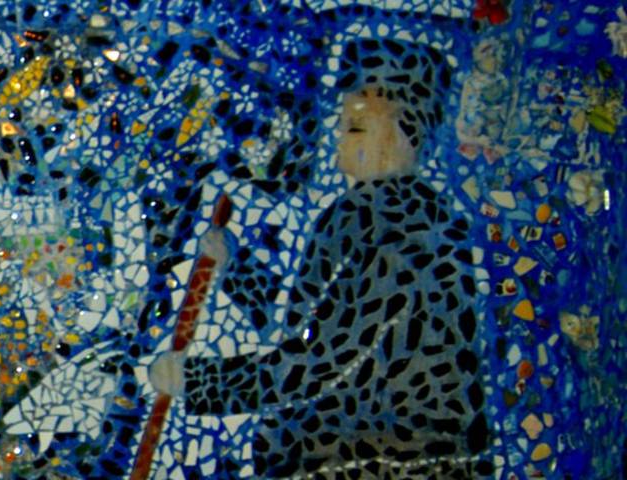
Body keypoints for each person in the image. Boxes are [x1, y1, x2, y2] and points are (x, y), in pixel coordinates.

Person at [149, 39, 488, 478]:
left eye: (357, 127)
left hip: (388, 460)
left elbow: (321, 359)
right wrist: (236, 268)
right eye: (343, 123)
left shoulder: (387, 221)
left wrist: (198, 382)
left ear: (408, 133)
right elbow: (312, 322)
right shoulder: (409, 213)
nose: (340, 137)